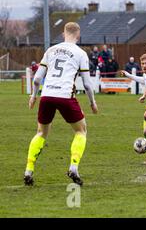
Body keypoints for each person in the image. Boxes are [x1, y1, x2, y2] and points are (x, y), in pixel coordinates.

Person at [24, 22, 98, 186]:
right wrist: (92, 103)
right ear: (78, 35)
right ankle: (73, 166)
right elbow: (87, 84)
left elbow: (37, 79)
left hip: (47, 95)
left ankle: (28, 170)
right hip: (65, 96)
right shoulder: (80, 53)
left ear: (63, 34)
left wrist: (33, 96)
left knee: (41, 133)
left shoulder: (50, 50)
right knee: (81, 131)